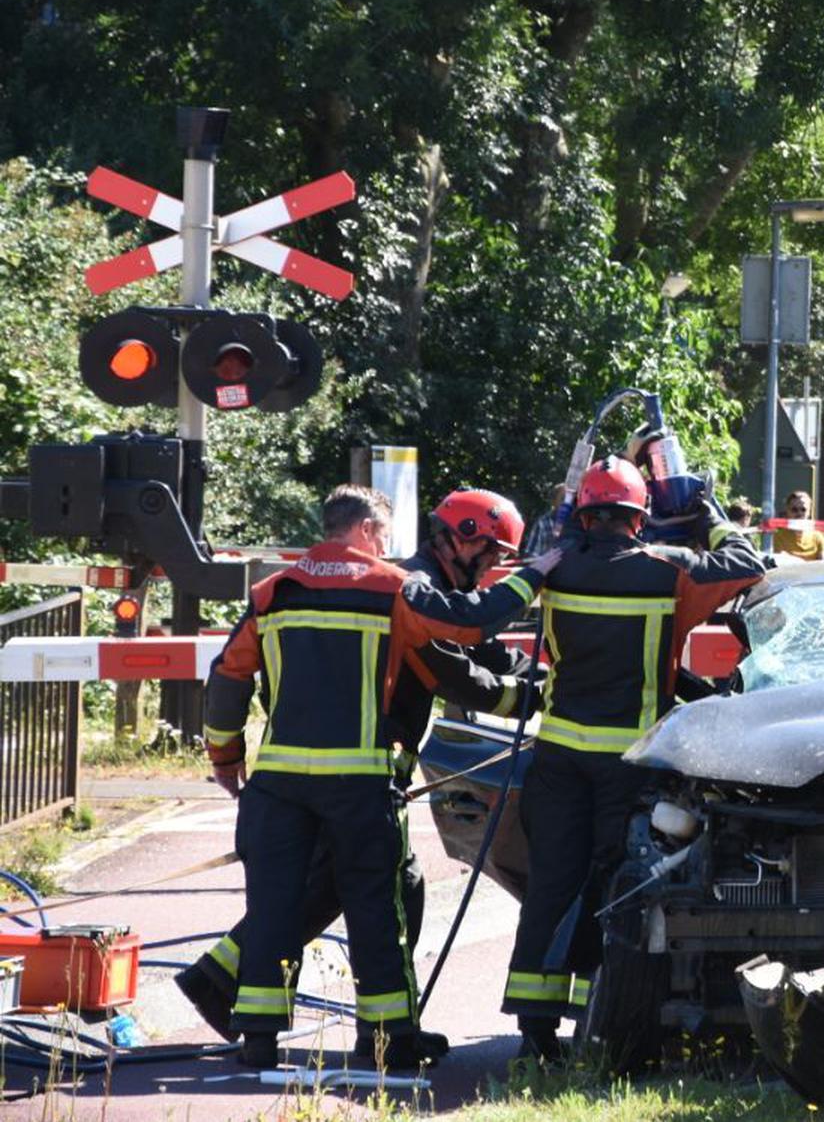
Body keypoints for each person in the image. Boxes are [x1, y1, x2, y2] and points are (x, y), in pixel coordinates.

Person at [201, 485, 560, 1070]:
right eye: (385, 537)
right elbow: (467, 628)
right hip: (360, 785)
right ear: (367, 531)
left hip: (278, 786)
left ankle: (258, 1040)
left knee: (273, 908)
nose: (389, 547)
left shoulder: (273, 591)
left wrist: (225, 758)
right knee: (376, 910)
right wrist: (536, 575)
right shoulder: (395, 589)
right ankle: (385, 1044)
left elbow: (229, 676)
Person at [502, 457, 763, 1063]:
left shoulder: (557, 569)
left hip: (559, 755)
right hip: (631, 760)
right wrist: (709, 517)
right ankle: (606, 1019)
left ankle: (534, 1030)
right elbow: (747, 565)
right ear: (639, 519)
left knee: (552, 885)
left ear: (585, 514)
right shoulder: (667, 572)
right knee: (619, 889)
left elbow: (559, 551)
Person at [771, 490, 824, 561]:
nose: (799, 513)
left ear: (809, 512)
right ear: (787, 511)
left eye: (803, 509)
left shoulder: (817, 537)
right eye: (794, 510)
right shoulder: (778, 537)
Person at [521, 483, 568, 559]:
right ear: (554, 502)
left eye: (570, 500)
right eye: (563, 499)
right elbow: (531, 556)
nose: (567, 503)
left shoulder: (580, 523)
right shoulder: (542, 523)